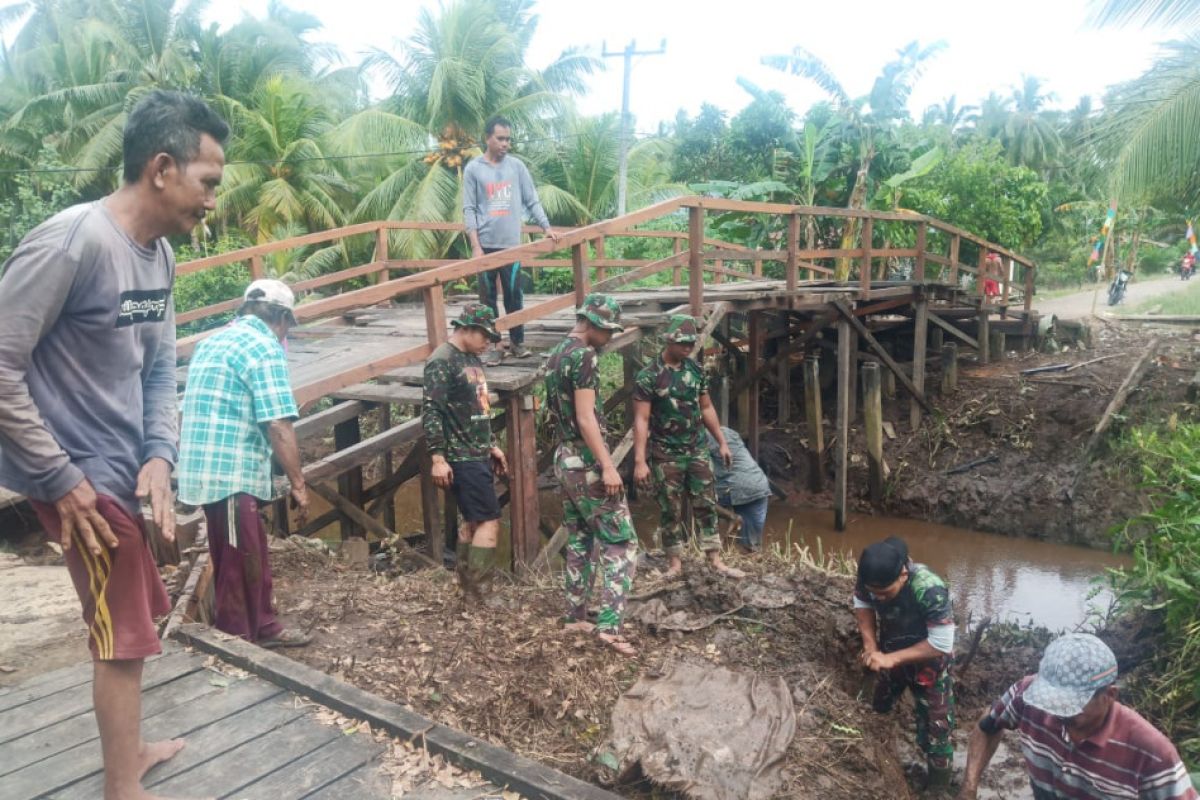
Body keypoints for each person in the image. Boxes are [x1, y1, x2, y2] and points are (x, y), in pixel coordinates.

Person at [0, 90, 226, 800]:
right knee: (122, 636)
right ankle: (121, 787)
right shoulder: (73, 241)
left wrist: (160, 453)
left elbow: (159, 366)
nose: (212, 202)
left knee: (134, 620)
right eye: (208, 182)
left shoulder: (156, 258)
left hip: (124, 472)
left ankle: (129, 752)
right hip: (82, 488)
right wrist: (58, 477)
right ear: (162, 168)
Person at [177, 279, 311, 648]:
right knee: (238, 559)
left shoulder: (212, 341)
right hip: (229, 470)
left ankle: (264, 626)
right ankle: (235, 641)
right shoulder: (264, 347)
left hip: (204, 468)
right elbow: (278, 424)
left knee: (249, 550)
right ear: (282, 319)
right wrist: (299, 483)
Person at [957, 633, 1198, 800]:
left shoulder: (1152, 752)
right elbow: (988, 724)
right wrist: (969, 788)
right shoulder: (1026, 694)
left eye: (1071, 710)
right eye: (1052, 704)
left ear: (1109, 695)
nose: (1058, 715)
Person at [543, 293, 638, 657]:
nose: (611, 337)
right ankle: (610, 628)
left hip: (563, 457)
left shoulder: (557, 354)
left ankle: (575, 617)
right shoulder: (583, 356)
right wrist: (609, 465)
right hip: (584, 460)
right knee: (621, 543)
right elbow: (585, 418)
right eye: (608, 330)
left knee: (581, 536)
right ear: (593, 324)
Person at [633, 314, 744, 579]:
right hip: (665, 454)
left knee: (706, 503)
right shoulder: (649, 376)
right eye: (682, 342)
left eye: (691, 343)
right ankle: (674, 563)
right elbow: (641, 418)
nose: (687, 347)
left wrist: (722, 442)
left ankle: (715, 559)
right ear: (668, 340)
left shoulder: (695, 370)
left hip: (697, 449)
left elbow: (706, 407)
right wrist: (639, 461)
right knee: (669, 508)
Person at [853, 536, 956, 791]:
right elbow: (863, 603)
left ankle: (937, 789)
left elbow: (941, 644)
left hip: (931, 667)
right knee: (872, 710)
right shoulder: (869, 577)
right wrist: (871, 647)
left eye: (885, 594)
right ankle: (878, 754)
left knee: (937, 734)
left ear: (903, 574)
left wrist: (890, 659)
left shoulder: (929, 588)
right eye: (875, 593)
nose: (881, 599)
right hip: (890, 656)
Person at [421, 304, 509, 597]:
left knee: (473, 520)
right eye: (485, 335)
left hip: (478, 451)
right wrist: (437, 457)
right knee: (489, 520)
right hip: (461, 456)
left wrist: (492, 444)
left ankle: (466, 589)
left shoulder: (471, 359)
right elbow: (432, 410)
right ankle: (481, 594)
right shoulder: (441, 360)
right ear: (466, 329)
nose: (488, 343)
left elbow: (480, 406)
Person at [462, 115, 559, 363]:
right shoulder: (474, 169)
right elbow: (469, 208)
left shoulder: (516, 167)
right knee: (488, 301)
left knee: (514, 295)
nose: (505, 144)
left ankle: (517, 343)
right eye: (500, 138)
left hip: (512, 245)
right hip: (486, 245)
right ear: (488, 138)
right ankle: (495, 346)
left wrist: (546, 227)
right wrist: (476, 246)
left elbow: (531, 199)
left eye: (508, 139)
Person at [706, 426, 771, 551]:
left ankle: (731, 519)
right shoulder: (730, 431)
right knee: (751, 546)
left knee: (699, 500)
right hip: (758, 485)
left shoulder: (700, 437)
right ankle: (737, 551)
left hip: (732, 486)